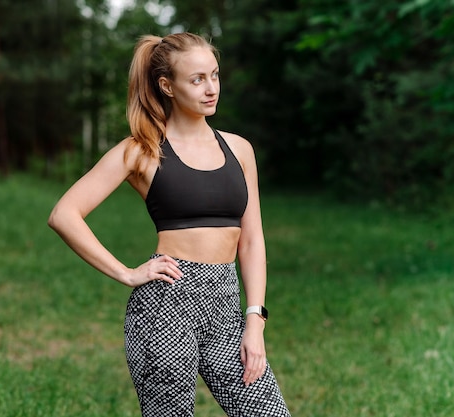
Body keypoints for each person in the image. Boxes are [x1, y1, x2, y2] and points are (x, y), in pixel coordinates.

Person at [47, 32, 291, 416]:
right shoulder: (141, 150)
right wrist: (127, 273)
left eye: (214, 75)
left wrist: (255, 318)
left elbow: (252, 239)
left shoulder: (240, 149)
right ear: (167, 86)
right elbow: (64, 214)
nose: (211, 88)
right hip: (166, 305)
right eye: (197, 79)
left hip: (227, 306)